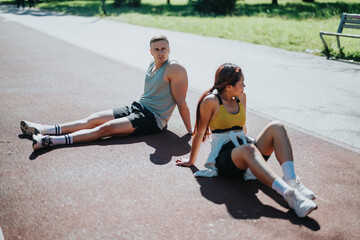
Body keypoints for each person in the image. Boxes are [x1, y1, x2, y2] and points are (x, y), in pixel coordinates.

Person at [176, 63, 317, 218]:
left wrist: (254, 150)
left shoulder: (241, 97)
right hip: (225, 159)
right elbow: (200, 132)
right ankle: (290, 196)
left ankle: (291, 180)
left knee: (276, 126)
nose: (244, 85)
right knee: (248, 149)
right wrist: (191, 161)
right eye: (241, 82)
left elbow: (243, 128)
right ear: (229, 86)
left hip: (245, 149)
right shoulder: (211, 101)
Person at [21, 35, 192, 150]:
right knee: (93, 118)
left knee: (106, 129)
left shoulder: (174, 68)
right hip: (138, 107)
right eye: (157, 50)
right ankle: (43, 128)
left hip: (153, 119)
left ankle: (49, 140)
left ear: (169, 50)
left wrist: (191, 131)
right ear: (151, 51)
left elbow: (181, 101)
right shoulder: (151, 64)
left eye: (164, 49)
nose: (160, 52)